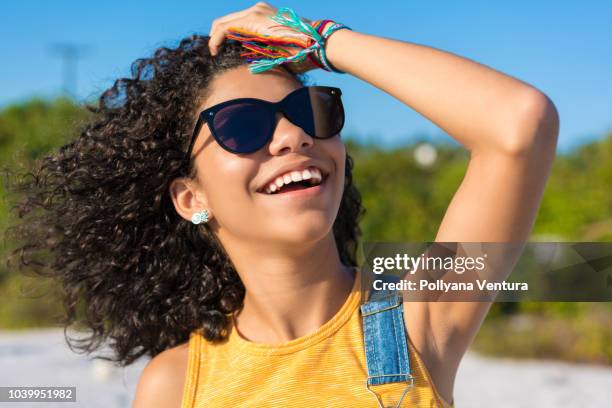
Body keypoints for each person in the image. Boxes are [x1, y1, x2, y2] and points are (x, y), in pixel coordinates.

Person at [7, 2, 558, 407]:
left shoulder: (417, 316)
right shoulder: (177, 387)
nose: (293, 136)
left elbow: (519, 125)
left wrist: (319, 40)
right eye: (242, 126)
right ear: (191, 197)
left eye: (311, 110)